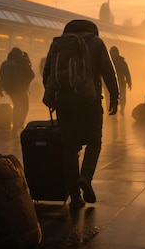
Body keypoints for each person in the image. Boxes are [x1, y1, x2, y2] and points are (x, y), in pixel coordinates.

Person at [42, 19, 118, 209]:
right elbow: (108, 72)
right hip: (89, 101)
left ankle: (75, 197)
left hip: (64, 104)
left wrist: (55, 96)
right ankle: (86, 177)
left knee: (69, 148)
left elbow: (47, 74)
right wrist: (114, 97)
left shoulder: (58, 43)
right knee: (94, 142)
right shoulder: (96, 43)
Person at [0, 47, 36, 131]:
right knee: (25, 106)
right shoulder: (22, 61)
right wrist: (25, 84)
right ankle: (21, 123)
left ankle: (15, 124)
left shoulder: (5, 63)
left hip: (9, 89)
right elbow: (32, 75)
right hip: (21, 89)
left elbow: (0, 77)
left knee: (16, 105)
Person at [109, 46, 132, 116]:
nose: (114, 54)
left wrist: (129, 82)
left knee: (122, 97)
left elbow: (127, 73)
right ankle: (113, 110)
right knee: (112, 97)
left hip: (120, 83)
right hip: (111, 84)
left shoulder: (121, 62)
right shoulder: (108, 62)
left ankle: (121, 109)